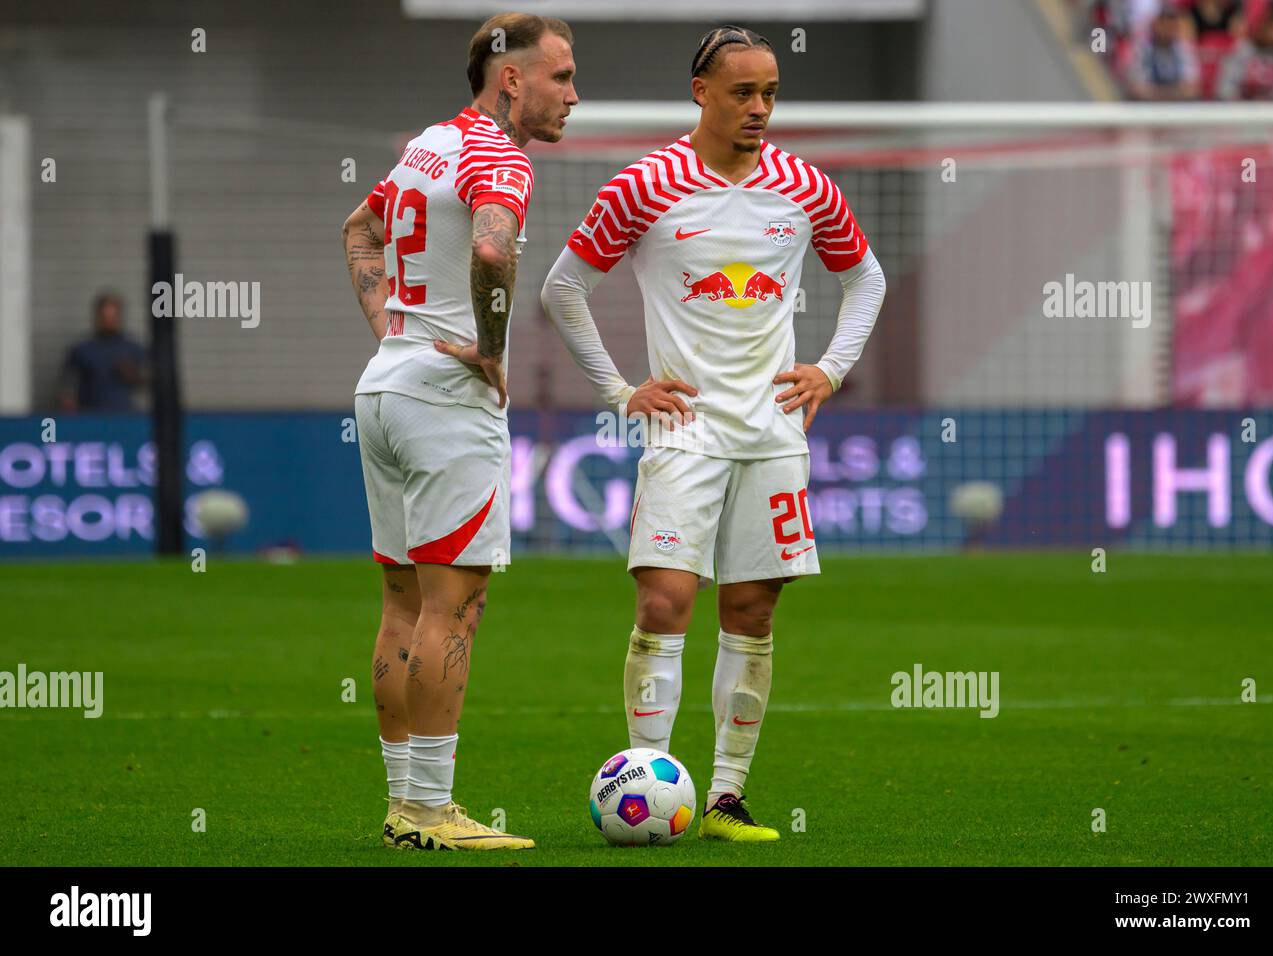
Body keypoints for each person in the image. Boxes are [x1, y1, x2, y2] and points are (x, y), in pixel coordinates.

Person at [541, 25, 885, 842]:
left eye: (769, 92)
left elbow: (864, 277)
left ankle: (726, 797)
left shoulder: (803, 185)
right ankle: (647, 782)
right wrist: (622, 389)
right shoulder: (647, 184)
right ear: (702, 93)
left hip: (771, 434)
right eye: (743, 92)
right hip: (684, 431)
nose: (759, 107)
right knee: (666, 601)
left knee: (753, 611)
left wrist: (830, 369)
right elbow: (563, 288)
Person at [340, 11, 578, 851]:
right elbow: (491, 252)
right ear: (511, 79)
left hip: (387, 383)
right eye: (561, 76)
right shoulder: (497, 155)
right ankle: (435, 812)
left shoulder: (429, 145)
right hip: (443, 397)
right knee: (457, 603)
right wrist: (491, 343)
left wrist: (389, 327)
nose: (572, 95)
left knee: (402, 605)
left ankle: (404, 807)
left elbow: (359, 228)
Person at [58, 293, 148, 412]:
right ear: (97, 317)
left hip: (124, 417)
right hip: (89, 417)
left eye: (113, 317)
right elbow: (66, 383)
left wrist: (133, 375)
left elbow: (148, 382)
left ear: (119, 317)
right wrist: (67, 400)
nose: (109, 321)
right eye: (105, 317)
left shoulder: (133, 348)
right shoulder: (81, 350)